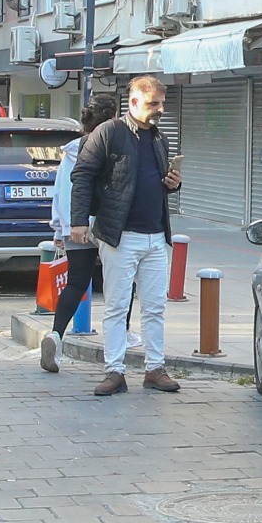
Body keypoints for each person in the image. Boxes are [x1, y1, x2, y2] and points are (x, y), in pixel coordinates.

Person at [67, 73, 184, 397]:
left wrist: (173, 183)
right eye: (153, 103)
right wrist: (79, 221)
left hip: (156, 235)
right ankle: (114, 371)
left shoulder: (160, 139)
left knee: (155, 306)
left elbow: (156, 181)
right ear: (133, 102)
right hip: (120, 235)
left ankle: (154, 369)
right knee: (118, 306)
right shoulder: (109, 133)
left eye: (161, 103)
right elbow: (83, 176)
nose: (160, 109)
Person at [40, 92, 121, 374]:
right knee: (119, 285)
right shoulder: (110, 148)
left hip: (74, 226)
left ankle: (56, 335)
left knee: (76, 283)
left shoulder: (70, 152)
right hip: (107, 225)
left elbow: (61, 190)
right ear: (113, 118)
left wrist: (60, 227)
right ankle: (121, 339)